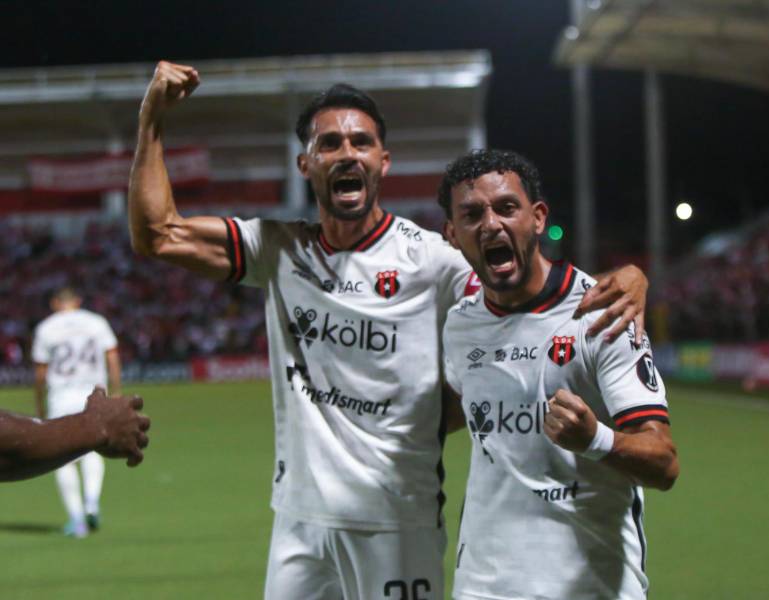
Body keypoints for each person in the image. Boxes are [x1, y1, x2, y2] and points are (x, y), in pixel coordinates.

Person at [128, 60, 650, 600]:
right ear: (305, 164)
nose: (346, 152)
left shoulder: (432, 260)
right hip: (299, 520)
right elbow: (157, 235)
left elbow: (530, 290)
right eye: (329, 144)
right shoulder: (278, 248)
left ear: (383, 161)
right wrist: (151, 121)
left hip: (397, 521)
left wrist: (630, 277)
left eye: (360, 142)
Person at [439, 149, 679, 600]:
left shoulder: (603, 313)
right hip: (483, 586)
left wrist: (595, 439)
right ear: (452, 234)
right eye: (472, 214)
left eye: (507, 207)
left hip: (590, 587)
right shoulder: (460, 325)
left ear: (537, 217)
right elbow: (451, 414)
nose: (491, 224)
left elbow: (664, 463)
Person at [32, 287, 122, 537]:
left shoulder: (46, 328)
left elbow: (40, 373)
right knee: (93, 449)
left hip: (61, 396)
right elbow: (112, 357)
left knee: (61, 458)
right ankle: (92, 502)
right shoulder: (96, 322)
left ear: (54, 303)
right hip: (94, 395)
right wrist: (115, 391)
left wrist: (39, 403)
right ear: (78, 302)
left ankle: (77, 520)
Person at [1, 387, 150, 482]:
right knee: (86, 459)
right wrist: (95, 426)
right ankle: (89, 509)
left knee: (73, 464)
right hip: (78, 394)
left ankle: (83, 513)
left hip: (63, 396)